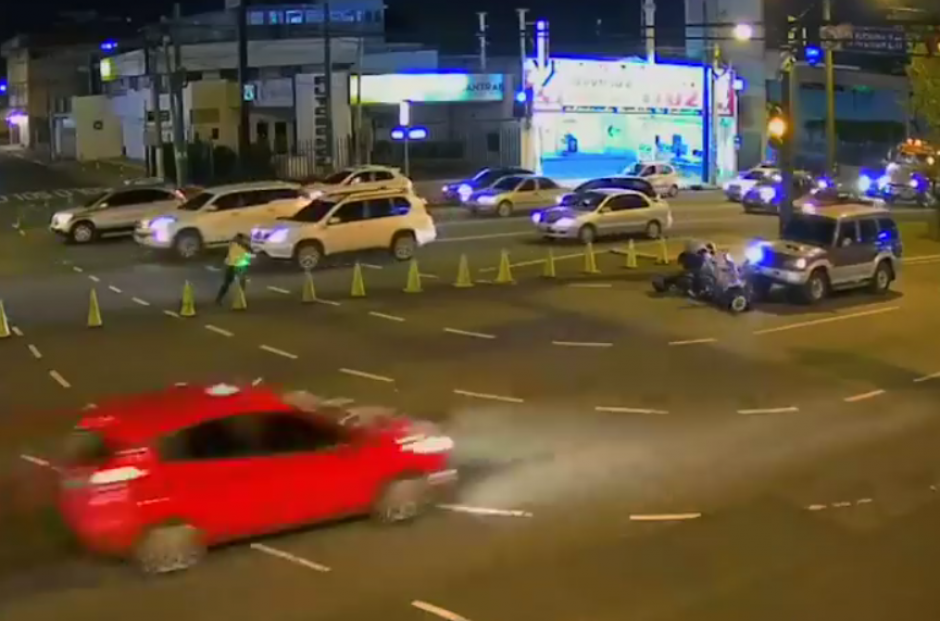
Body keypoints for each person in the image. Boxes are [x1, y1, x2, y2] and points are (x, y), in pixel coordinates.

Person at [216, 233, 253, 304]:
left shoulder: (237, 244)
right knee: (230, 283)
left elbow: (250, 251)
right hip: (235, 265)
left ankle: (240, 298)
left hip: (238, 265)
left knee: (238, 283)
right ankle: (219, 299)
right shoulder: (234, 244)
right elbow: (249, 251)